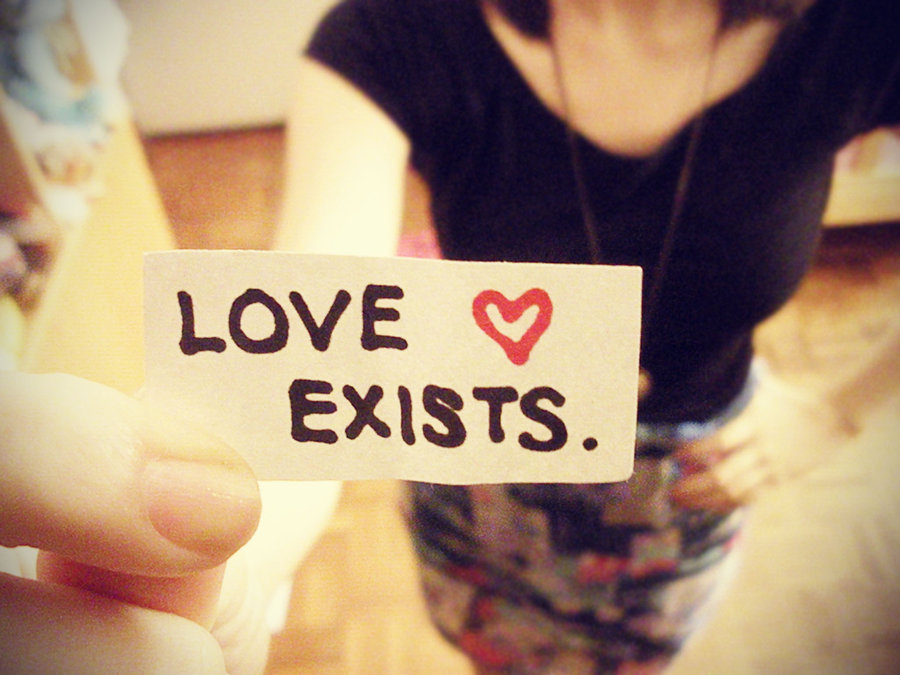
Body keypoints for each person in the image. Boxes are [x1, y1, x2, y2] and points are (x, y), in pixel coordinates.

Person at [274, 0, 900, 672]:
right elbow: (308, 354)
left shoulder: (863, 26)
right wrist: (245, 568)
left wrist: (837, 408)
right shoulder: (400, 29)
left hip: (686, 488)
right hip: (483, 467)